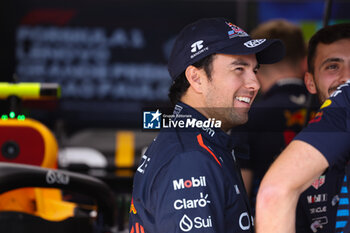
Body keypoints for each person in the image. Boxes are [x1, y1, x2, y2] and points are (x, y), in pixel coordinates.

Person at [128, 17, 284, 233]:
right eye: (239, 68)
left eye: (255, 70)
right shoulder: (190, 157)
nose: (254, 84)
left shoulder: (199, 143)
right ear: (196, 78)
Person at [256, 23, 350, 233]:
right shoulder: (296, 162)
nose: (346, 78)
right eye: (333, 66)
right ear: (309, 81)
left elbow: (274, 193)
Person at [233, 19, 309, 209]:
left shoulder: (247, 117)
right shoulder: (329, 112)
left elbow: (241, 194)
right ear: (304, 61)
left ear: (256, 65)